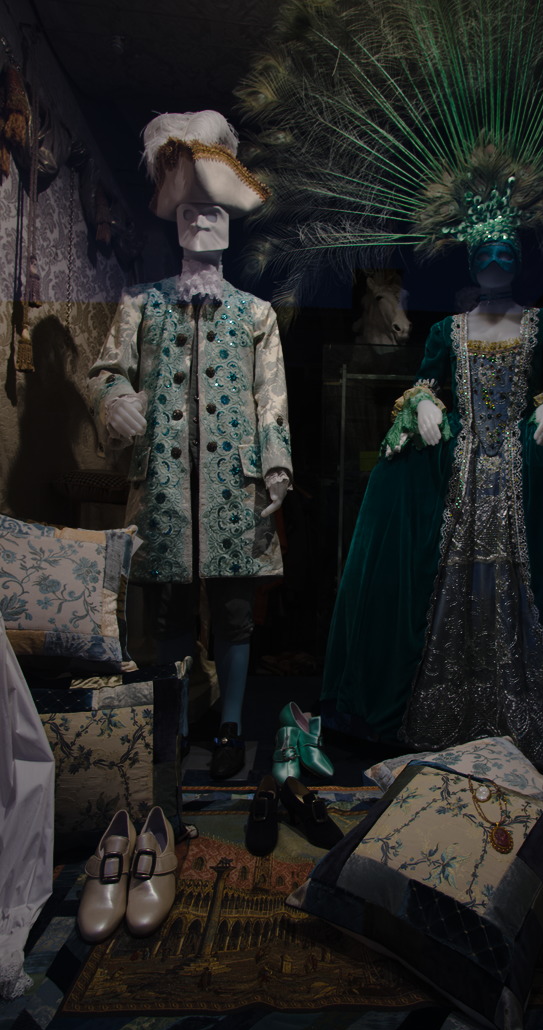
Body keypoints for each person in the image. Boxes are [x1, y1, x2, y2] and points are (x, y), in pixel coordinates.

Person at [322, 215, 543, 767]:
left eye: (506, 252)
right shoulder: (447, 331)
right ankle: (448, 711)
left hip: (525, 472)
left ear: (520, 260)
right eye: (486, 252)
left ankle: (526, 712)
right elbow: (424, 382)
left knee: (536, 579)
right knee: (446, 581)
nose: (495, 262)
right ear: (470, 260)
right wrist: (424, 403)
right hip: (461, 477)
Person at [88, 111, 292, 780]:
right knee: (169, 614)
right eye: (188, 213)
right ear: (173, 223)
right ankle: (173, 725)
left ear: (229, 223)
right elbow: (106, 369)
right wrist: (114, 397)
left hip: (234, 486)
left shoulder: (256, 313)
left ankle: (230, 726)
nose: (200, 222)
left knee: (234, 615)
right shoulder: (140, 304)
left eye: (212, 212)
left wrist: (277, 464)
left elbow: (269, 396)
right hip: (165, 488)